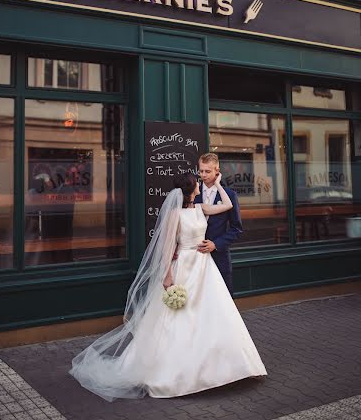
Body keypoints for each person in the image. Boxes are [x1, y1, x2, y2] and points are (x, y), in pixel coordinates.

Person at [69, 172, 267, 401]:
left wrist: (220, 183)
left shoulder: (200, 208)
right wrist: (167, 273)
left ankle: (229, 369)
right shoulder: (175, 214)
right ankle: (176, 373)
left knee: (213, 314)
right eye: (196, 184)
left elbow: (227, 204)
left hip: (204, 267)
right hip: (184, 265)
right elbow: (166, 246)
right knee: (180, 317)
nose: (200, 186)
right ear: (190, 189)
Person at [195, 152, 242, 294]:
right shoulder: (192, 193)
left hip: (219, 256)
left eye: (208, 171)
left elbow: (237, 229)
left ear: (217, 171)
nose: (203, 175)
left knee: (222, 298)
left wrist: (215, 244)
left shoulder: (230, 195)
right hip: (195, 255)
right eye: (201, 171)